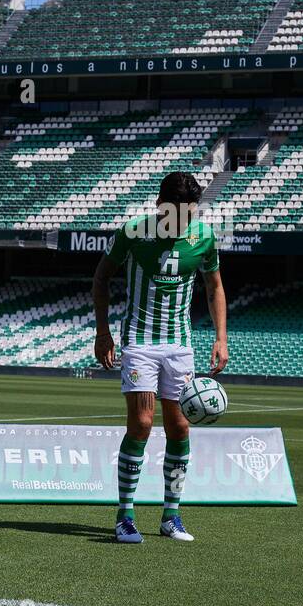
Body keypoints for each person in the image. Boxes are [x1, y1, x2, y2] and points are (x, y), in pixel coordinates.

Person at [92, 171, 228, 543]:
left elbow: (214, 286)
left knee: (180, 427)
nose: (185, 221)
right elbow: (101, 278)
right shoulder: (133, 232)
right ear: (159, 206)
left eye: (190, 214)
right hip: (139, 340)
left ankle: (171, 516)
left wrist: (220, 337)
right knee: (140, 423)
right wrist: (103, 332)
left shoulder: (203, 236)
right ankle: (125, 516)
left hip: (180, 344)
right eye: (177, 214)